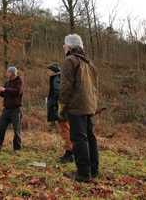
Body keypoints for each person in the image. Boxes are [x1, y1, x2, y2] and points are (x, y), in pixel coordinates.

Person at [58, 34, 99, 183]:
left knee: (78, 137)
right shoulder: (89, 63)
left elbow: (65, 85)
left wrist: (61, 104)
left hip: (77, 105)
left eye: (64, 46)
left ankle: (83, 173)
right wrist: (93, 104)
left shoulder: (70, 60)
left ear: (69, 47)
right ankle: (93, 170)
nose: (64, 48)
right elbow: (95, 86)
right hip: (89, 104)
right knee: (90, 137)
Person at [47, 63, 74, 163]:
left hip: (61, 109)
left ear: (54, 71)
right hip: (65, 108)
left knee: (64, 131)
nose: (48, 72)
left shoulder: (56, 79)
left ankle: (70, 153)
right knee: (68, 130)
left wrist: (54, 105)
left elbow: (58, 92)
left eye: (49, 71)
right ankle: (71, 152)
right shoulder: (61, 78)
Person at [0, 66, 24, 152]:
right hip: (6, 109)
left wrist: (5, 89)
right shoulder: (7, 82)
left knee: (17, 129)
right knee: (1, 127)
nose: (7, 73)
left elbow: (17, 91)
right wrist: (0, 92)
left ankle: (17, 148)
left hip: (16, 110)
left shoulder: (19, 81)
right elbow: (5, 94)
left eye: (8, 72)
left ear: (13, 73)